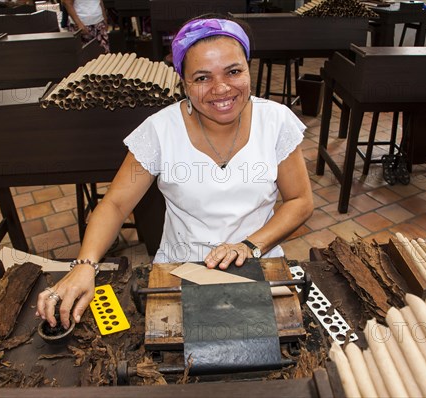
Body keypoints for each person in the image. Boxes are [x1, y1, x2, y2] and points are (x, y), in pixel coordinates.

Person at [36, 14, 313, 329]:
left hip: (259, 263)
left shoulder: (276, 121)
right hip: (182, 269)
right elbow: (115, 204)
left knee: (262, 348)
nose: (221, 89)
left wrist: (248, 246)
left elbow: (300, 200)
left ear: (248, 68)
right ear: (184, 82)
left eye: (233, 71)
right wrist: (85, 265)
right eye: (202, 77)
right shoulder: (160, 130)